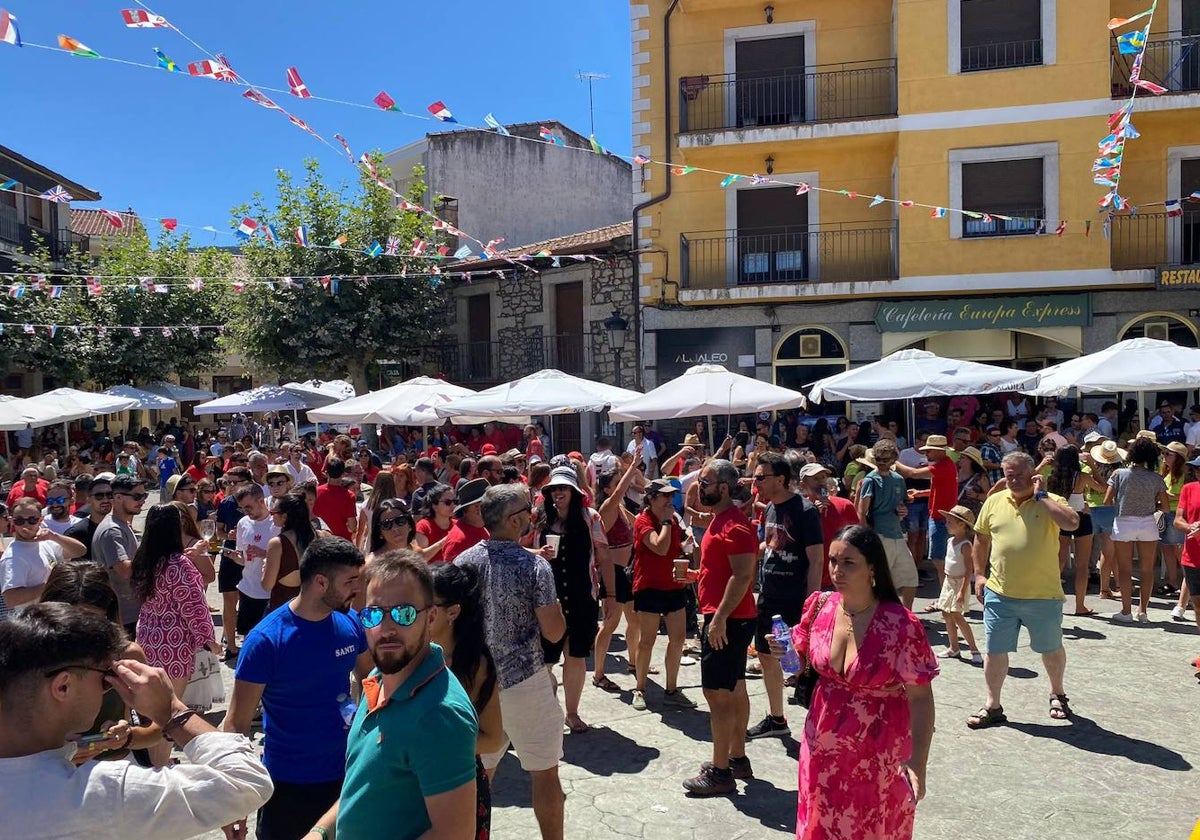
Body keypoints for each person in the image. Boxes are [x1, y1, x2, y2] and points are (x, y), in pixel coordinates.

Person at [0, 603, 273, 838]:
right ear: (63, 687)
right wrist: (171, 710)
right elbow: (247, 782)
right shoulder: (98, 796)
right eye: (105, 678)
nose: (111, 687)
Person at [308, 550, 478, 840]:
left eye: (404, 613)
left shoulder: (439, 715)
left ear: (431, 617)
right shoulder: (377, 679)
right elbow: (364, 787)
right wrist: (320, 832)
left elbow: (454, 835)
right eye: (374, 614)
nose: (386, 629)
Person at [783, 525, 937, 838]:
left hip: (877, 754)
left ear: (872, 568)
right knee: (818, 823)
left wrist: (918, 761)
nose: (837, 571)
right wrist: (786, 654)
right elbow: (806, 664)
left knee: (870, 827)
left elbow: (921, 698)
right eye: (833, 561)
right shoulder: (820, 605)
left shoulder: (900, 625)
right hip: (821, 745)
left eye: (848, 563)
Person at [223, 537, 372, 840]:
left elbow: (373, 682)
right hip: (287, 786)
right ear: (320, 582)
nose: (357, 590)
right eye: (350, 582)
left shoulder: (351, 622)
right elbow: (236, 724)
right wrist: (232, 800)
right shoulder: (266, 640)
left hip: (348, 776)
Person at [456, 484, 566, 840]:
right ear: (516, 520)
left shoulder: (464, 562)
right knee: (545, 773)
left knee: (479, 774)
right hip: (524, 680)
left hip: (476, 683)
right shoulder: (534, 565)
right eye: (528, 509)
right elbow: (553, 631)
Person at [967, 452, 1079, 729]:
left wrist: (1042, 497)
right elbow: (980, 539)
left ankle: (1058, 693)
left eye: (1019, 474)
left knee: (1051, 648)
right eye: (1008, 474)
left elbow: (1071, 523)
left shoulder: (1052, 501)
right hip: (999, 593)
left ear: (1034, 475)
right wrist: (979, 575)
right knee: (994, 651)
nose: (1014, 480)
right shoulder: (994, 501)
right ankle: (993, 705)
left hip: (1043, 594)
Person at [677, 459, 757, 796]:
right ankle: (735, 757)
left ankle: (721, 772)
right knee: (735, 687)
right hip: (728, 616)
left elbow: (743, 575)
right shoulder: (718, 521)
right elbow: (724, 572)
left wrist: (720, 618)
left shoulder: (735, 526)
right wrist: (697, 577)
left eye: (705, 482)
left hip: (727, 619)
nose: (699, 487)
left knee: (717, 695)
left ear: (724, 488)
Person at [130, 504, 218, 766]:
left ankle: (158, 763)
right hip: (174, 642)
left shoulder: (144, 560)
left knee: (153, 710)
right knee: (168, 711)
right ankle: (160, 766)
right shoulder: (178, 565)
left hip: (147, 636)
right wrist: (208, 639)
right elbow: (194, 606)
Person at [745, 453, 823, 740]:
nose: (756, 482)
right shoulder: (768, 510)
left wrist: (812, 605)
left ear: (781, 479)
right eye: (755, 476)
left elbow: (816, 558)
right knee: (766, 657)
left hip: (796, 598)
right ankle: (777, 718)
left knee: (803, 663)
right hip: (769, 595)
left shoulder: (805, 510)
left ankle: (821, 726)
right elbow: (771, 542)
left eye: (761, 477)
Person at [430, 562, 505, 840]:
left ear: (453, 611)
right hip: (408, 783)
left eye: (427, 604)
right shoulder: (410, 654)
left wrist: (428, 747)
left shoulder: (476, 665)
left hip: (457, 786)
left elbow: (493, 738)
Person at [535, 466, 611, 734]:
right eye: (554, 488)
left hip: (582, 596)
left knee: (576, 656)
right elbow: (520, 548)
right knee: (545, 660)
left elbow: (603, 555)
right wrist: (537, 552)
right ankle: (549, 708)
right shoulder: (541, 519)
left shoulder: (590, 517)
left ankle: (572, 713)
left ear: (574, 491)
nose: (558, 493)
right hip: (548, 597)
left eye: (563, 488)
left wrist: (610, 595)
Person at [628, 478, 694, 712]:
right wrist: (667, 522)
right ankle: (640, 688)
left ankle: (671, 690)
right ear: (652, 498)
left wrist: (686, 545)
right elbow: (659, 546)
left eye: (671, 496)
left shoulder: (673, 520)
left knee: (677, 640)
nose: (670, 500)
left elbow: (673, 549)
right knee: (647, 641)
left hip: (673, 586)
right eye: (665, 496)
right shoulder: (644, 520)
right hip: (649, 587)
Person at [1105, 437, 1171, 623]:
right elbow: (1165, 508)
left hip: (1124, 522)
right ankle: (1143, 611)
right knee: (1147, 569)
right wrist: (1151, 503)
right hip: (1147, 522)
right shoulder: (1156, 478)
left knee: (1125, 569)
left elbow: (1107, 501)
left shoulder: (1118, 474)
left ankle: (1126, 611)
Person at [591, 460, 642, 694]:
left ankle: (634, 662)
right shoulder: (608, 507)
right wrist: (632, 467)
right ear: (608, 489)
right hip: (614, 573)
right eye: (616, 482)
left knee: (635, 622)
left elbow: (637, 522)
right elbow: (623, 489)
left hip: (628, 571)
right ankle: (599, 674)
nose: (621, 485)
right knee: (610, 624)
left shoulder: (620, 507)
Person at [857, 439, 918, 609]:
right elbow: (862, 511)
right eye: (878, 459)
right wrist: (866, 538)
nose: (882, 463)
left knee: (911, 577)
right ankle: (875, 613)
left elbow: (902, 504)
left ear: (893, 460)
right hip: (880, 534)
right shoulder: (870, 480)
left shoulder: (898, 479)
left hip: (898, 534)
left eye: (886, 459)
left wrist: (903, 510)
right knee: (879, 580)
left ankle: (907, 613)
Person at [1046, 445, 1105, 617]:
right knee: (1082, 566)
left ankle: (1051, 602)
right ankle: (1080, 606)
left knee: (1058, 563)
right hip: (1080, 518)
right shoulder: (1082, 476)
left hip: (1061, 518)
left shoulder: (1053, 476)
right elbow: (1103, 488)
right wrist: (1093, 466)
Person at [1, 497, 87, 616]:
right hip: (34, 622)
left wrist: (54, 536)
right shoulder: (13, 557)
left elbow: (80, 550)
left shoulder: (45, 542)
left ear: (41, 519)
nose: (26, 525)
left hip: (54, 615)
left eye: (32, 520)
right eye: (19, 521)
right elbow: (11, 598)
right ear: (11, 521)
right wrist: (50, 585)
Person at [894, 434, 958, 590]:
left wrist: (894, 461)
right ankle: (947, 595)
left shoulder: (943, 466)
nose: (926, 453)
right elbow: (941, 489)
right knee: (941, 558)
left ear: (939, 451)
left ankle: (946, 596)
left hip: (940, 517)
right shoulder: (946, 465)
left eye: (929, 450)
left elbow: (913, 474)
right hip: (940, 516)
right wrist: (920, 493)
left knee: (938, 559)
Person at [92, 474, 148, 638]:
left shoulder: (122, 525)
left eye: (144, 496)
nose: (143, 501)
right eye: (137, 496)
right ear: (117, 497)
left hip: (130, 613)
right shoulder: (112, 531)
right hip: (124, 618)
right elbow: (125, 570)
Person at [935, 506, 982, 663]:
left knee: (957, 615)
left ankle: (974, 649)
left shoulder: (966, 545)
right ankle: (954, 648)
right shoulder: (950, 541)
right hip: (949, 582)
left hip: (960, 582)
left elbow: (969, 569)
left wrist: (962, 590)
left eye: (950, 522)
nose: (946, 524)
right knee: (946, 614)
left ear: (962, 525)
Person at [233, 483, 280, 638]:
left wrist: (265, 553)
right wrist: (234, 557)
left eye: (248, 507)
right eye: (242, 508)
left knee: (269, 638)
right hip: (247, 589)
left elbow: (285, 558)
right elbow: (243, 559)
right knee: (248, 637)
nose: (246, 512)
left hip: (269, 592)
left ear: (261, 501)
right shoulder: (243, 523)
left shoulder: (277, 524)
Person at [263, 492, 316, 610]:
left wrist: (266, 568)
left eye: (273, 513)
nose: (271, 516)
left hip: (284, 611)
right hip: (314, 609)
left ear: (285, 517)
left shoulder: (278, 543)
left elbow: (267, 585)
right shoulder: (321, 536)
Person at [1172, 455, 1200, 674]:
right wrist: (1190, 526)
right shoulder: (1189, 489)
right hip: (1192, 555)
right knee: (1198, 604)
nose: (1198, 473)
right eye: (1196, 469)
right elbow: (1177, 520)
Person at [1158, 441, 1190, 597]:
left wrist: (1169, 497)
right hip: (1165, 513)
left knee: (1179, 551)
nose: (1163, 456)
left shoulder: (1184, 475)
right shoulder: (1165, 472)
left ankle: (1188, 583)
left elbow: (1187, 496)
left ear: (1178, 458)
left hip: (1178, 514)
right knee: (1166, 549)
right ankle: (1172, 582)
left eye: (1168, 454)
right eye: (1163, 453)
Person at [64, 473, 114, 561]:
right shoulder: (77, 533)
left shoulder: (120, 525)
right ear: (89, 500)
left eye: (110, 495)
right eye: (99, 496)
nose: (105, 500)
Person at [443, 478, 491, 563]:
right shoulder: (457, 542)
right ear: (477, 508)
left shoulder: (481, 527)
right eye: (487, 504)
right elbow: (449, 574)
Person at [313, 457, 357, 541]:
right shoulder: (349, 495)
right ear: (343, 474)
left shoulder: (315, 492)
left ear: (326, 473)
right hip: (342, 541)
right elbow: (352, 526)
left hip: (320, 540)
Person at [416, 483, 456, 563]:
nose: (453, 505)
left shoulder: (458, 525)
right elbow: (420, 559)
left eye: (454, 501)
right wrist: (444, 541)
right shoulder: (423, 526)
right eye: (447, 502)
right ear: (434, 506)